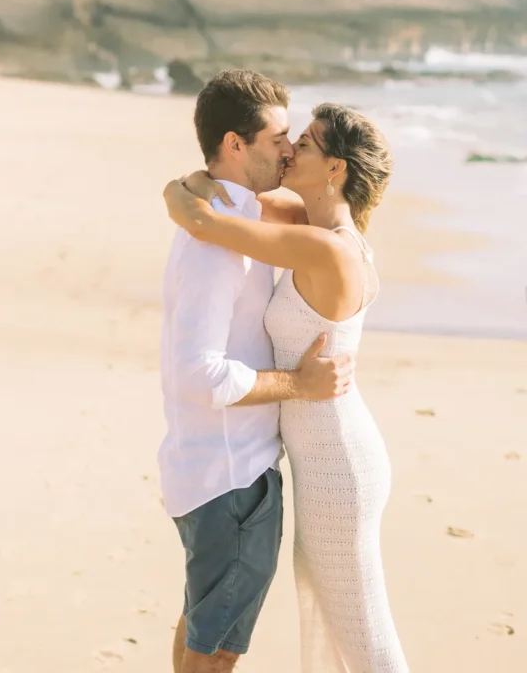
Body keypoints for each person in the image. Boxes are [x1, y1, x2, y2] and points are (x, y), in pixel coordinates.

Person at [164, 86, 409, 672]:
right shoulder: (310, 224)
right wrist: (184, 186)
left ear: (335, 168)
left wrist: (179, 194)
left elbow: (205, 219)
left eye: (304, 142)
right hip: (320, 454)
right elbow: (218, 198)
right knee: (342, 624)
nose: (290, 150)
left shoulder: (328, 250)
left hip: (336, 465)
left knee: (363, 632)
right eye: (287, 140)